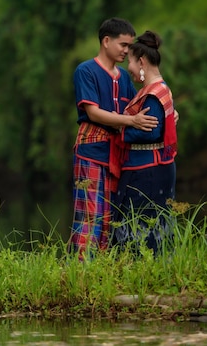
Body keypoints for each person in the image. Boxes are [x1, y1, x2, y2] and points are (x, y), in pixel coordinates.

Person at [69, 18, 159, 260]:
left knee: (111, 218)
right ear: (106, 41)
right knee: (89, 216)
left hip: (116, 153)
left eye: (130, 46)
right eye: (123, 44)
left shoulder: (123, 77)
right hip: (91, 150)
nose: (126, 51)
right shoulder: (86, 70)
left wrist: (166, 109)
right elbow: (93, 112)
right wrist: (131, 121)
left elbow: (140, 104)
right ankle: (79, 275)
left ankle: (101, 275)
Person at [110, 30, 177, 256]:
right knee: (149, 222)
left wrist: (120, 127)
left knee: (141, 222)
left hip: (147, 170)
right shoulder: (158, 89)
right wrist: (131, 123)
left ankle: (143, 274)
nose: (127, 67)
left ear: (141, 61)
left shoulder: (153, 94)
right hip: (152, 167)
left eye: (129, 60)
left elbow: (151, 131)